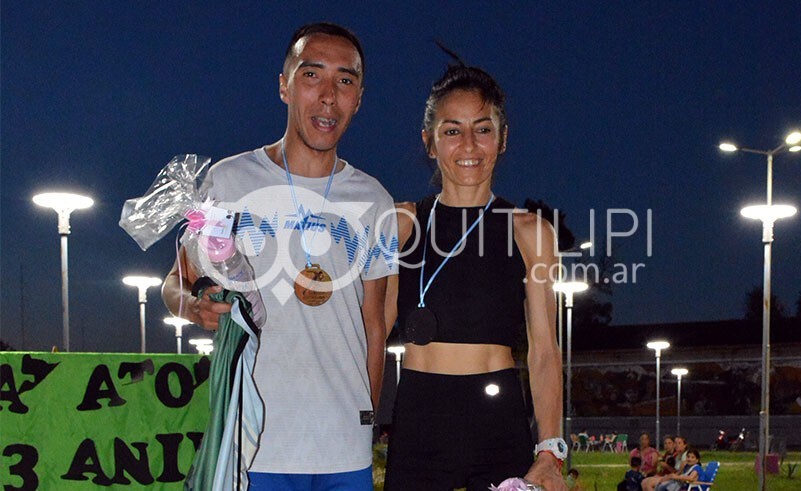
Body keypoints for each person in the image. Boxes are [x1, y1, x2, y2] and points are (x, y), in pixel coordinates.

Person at [162, 22, 397, 491]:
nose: (329, 95)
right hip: (254, 442)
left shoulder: (375, 200)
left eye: (345, 80)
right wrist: (194, 306)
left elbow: (376, 325)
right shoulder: (228, 182)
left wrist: (365, 423)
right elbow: (173, 283)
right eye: (312, 76)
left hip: (343, 450)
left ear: (359, 97)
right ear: (285, 86)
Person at [382, 61, 565, 491]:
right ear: (429, 142)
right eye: (452, 130)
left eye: (483, 129)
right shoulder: (401, 223)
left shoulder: (530, 232)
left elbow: (543, 351)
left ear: (502, 140)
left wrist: (550, 451)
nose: (469, 144)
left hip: (497, 418)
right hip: (418, 414)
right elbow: (369, 330)